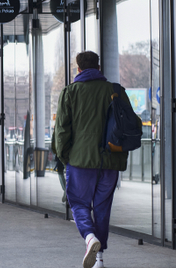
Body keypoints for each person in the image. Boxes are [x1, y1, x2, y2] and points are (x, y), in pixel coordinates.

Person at [54, 51, 140, 268]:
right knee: (102, 207)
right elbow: (130, 123)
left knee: (79, 203)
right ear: (98, 67)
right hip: (110, 158)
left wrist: (65, 156)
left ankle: (89, 237)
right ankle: (99, 259)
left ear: (79, 69)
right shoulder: (115, 90)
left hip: (80, 161)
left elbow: (62, 131)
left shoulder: (70, 92)